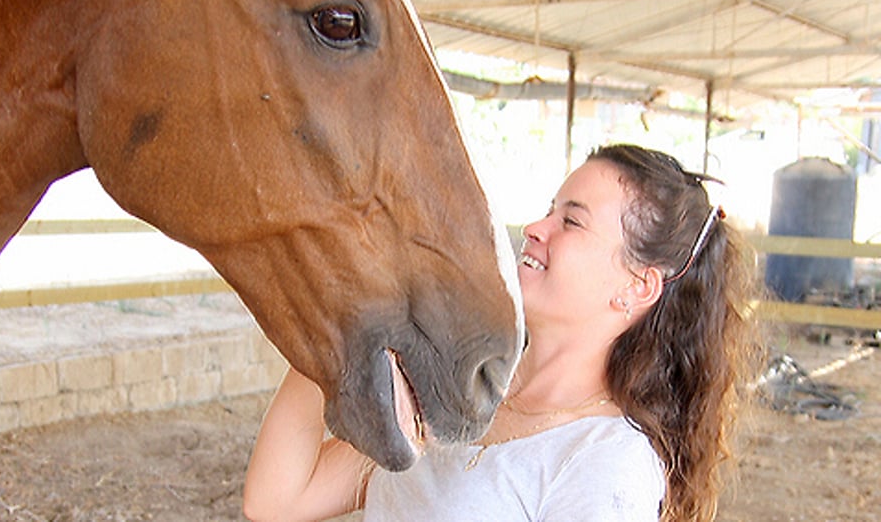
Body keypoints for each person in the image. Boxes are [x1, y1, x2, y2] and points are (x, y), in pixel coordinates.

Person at [243, 143, 763, 522]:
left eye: (573, 222)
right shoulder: (455, 387)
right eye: (549, 210)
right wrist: (334, 319)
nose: (537, 228)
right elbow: (278, 499)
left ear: (637, 285)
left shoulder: (605, 460)